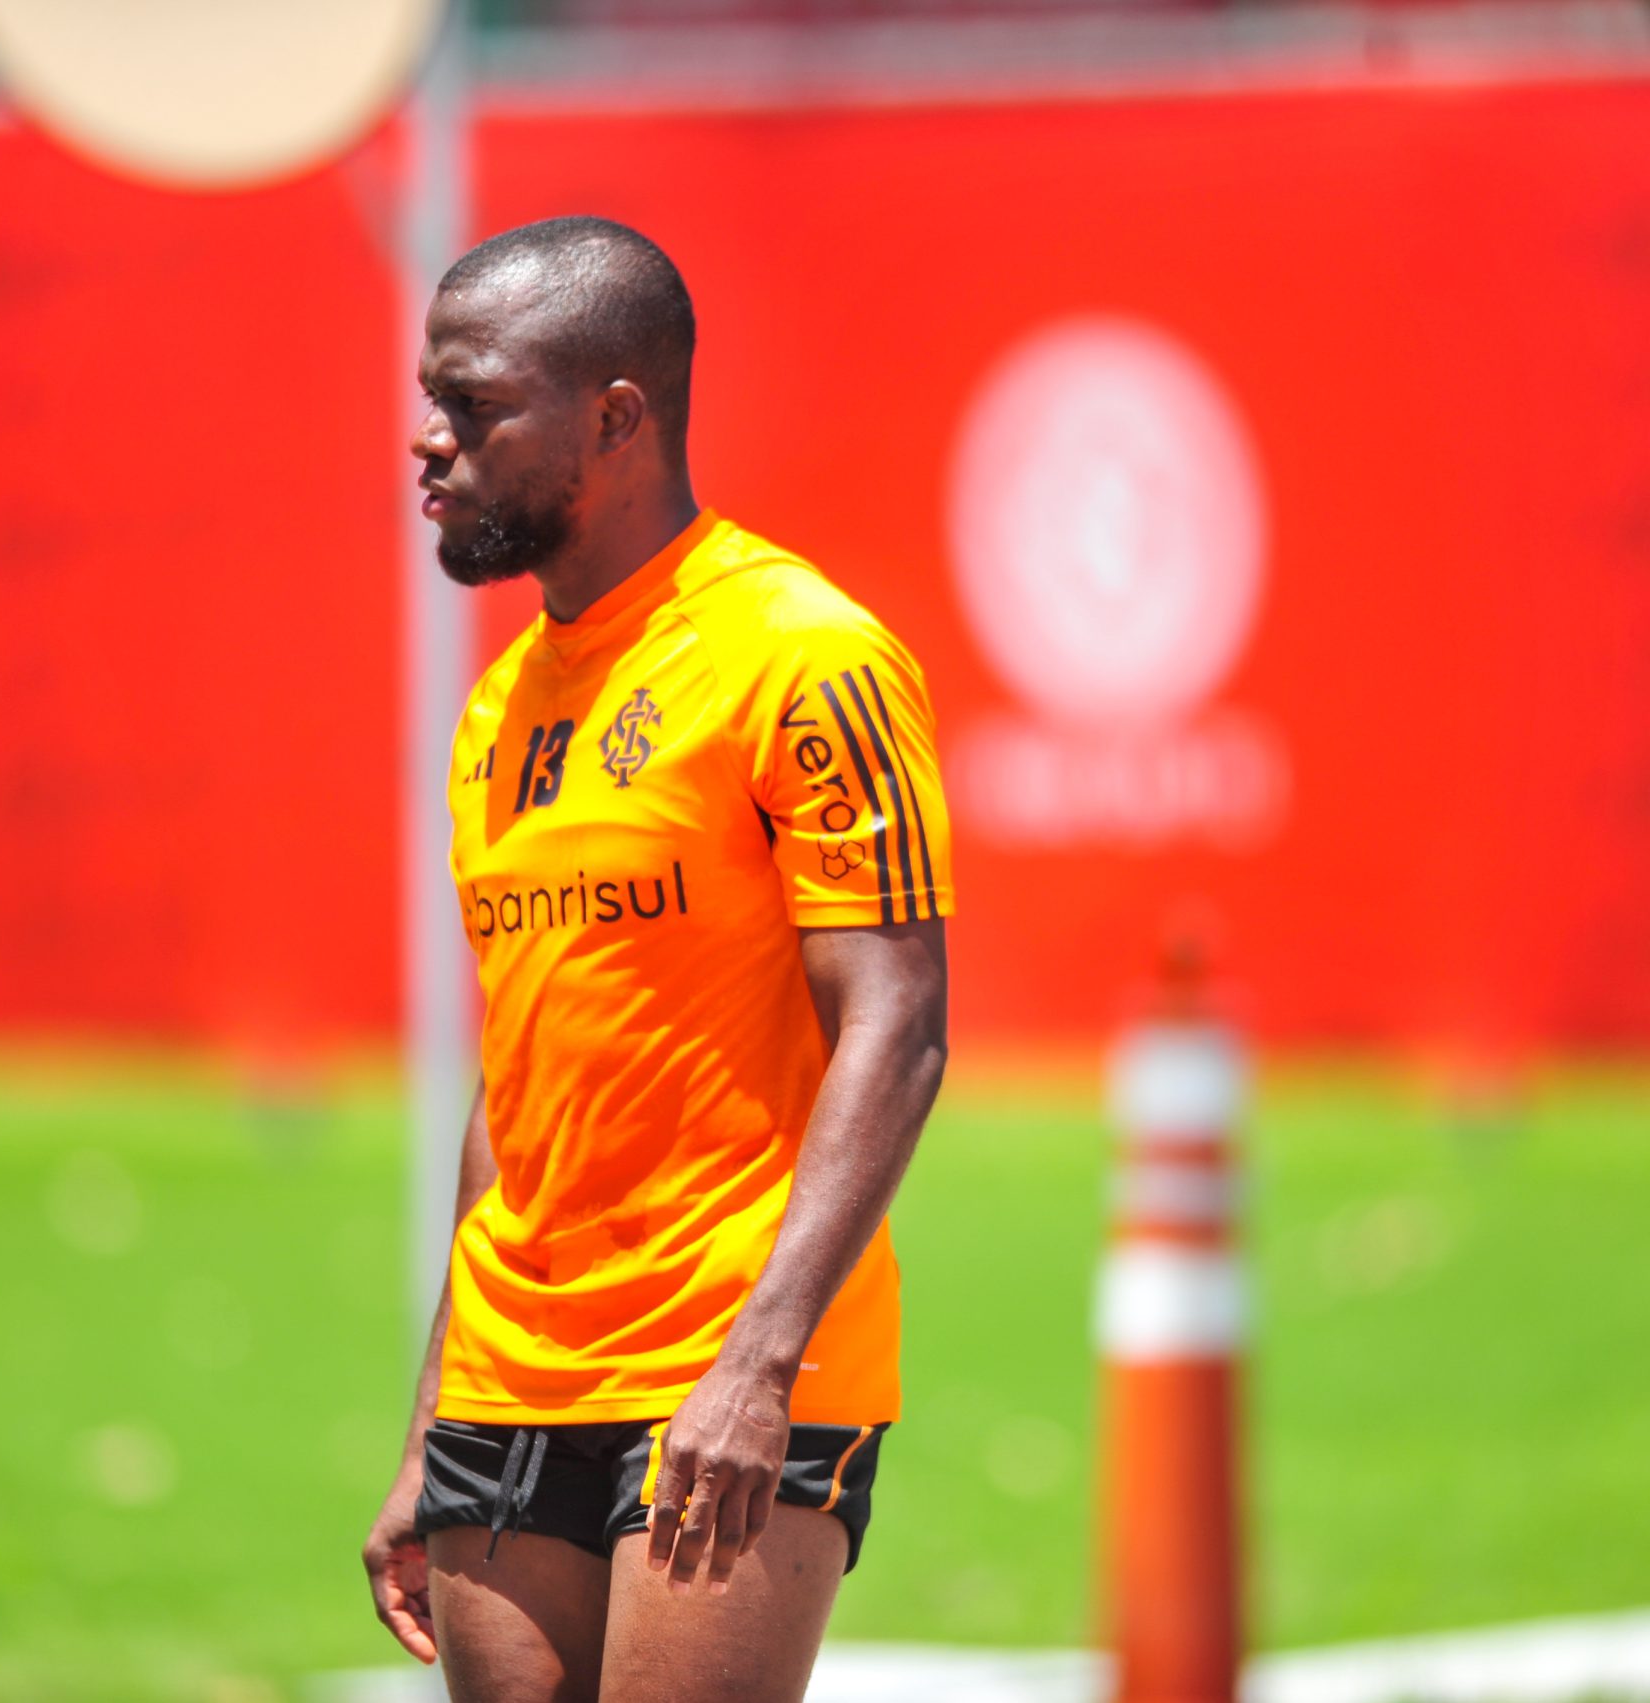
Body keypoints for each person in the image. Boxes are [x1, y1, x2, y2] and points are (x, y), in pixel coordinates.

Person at [360, 215, 955, 1703]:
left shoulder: (804, 657)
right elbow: (518, 1084)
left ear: (616, 417)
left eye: (474, 406)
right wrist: (437, 1412)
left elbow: (900, 1023)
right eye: (430, 400)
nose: (427, 442)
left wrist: (762, 1364)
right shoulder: (499, 710)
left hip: (729, 1361)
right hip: (514, 1373)